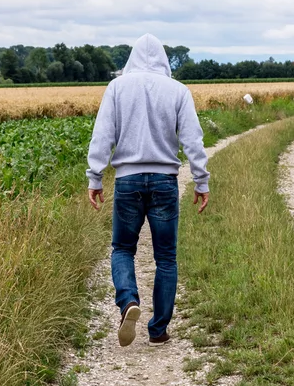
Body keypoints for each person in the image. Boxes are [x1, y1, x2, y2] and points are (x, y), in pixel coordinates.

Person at [86, 33, 209, 347]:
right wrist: (201, 180)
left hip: (127, 181)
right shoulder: (178, 91)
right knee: (166, 257)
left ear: (132, 57)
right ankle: (158, 330)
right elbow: (193, 140)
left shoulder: (117, 88)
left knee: (123, 249)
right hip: (165, 181)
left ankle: (128, 301)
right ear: (165, 59)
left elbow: (102, 136)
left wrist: (95, 177)